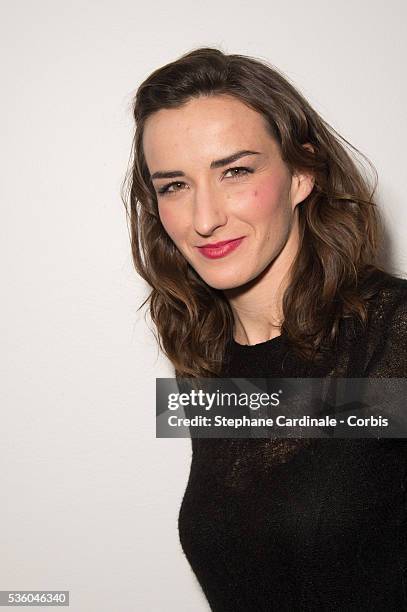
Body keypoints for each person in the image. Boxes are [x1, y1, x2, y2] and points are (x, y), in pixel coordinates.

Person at [122, 47, 407, 611]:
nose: (205, 219)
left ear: (302, 173)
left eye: (235, 171)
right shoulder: (202, 359)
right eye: (174, 185)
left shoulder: (395, 333)